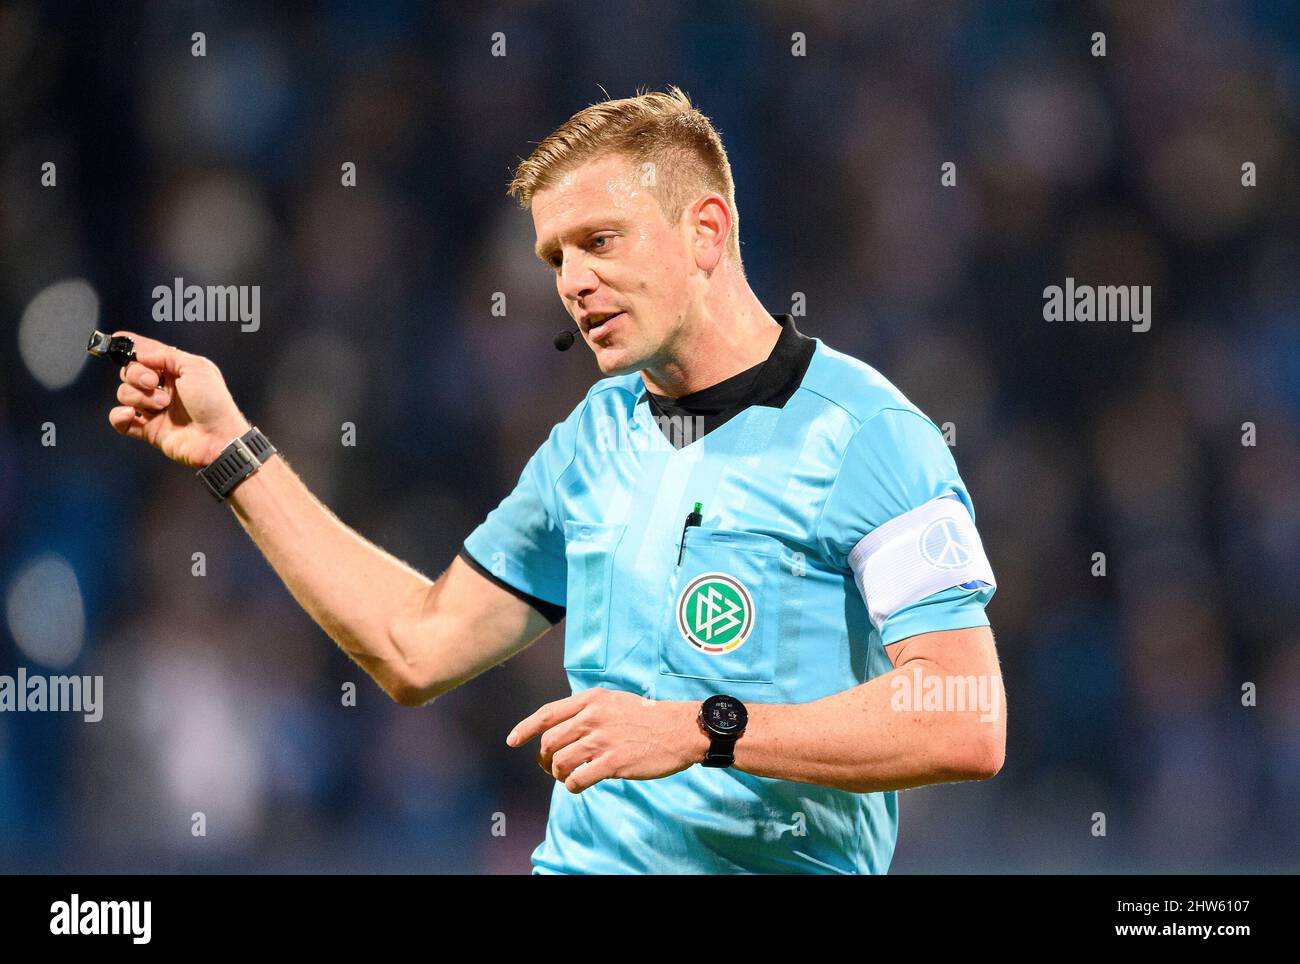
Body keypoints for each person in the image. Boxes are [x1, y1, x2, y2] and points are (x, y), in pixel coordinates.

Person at [107, 86, 1005, 874]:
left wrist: (705, 726)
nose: (573, 282)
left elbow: (965, 718)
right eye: (555, 258)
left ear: (706, 230)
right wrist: (234, 451)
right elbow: (414, 647)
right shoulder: (592, 438)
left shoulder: (868, 435)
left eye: (599, 241)